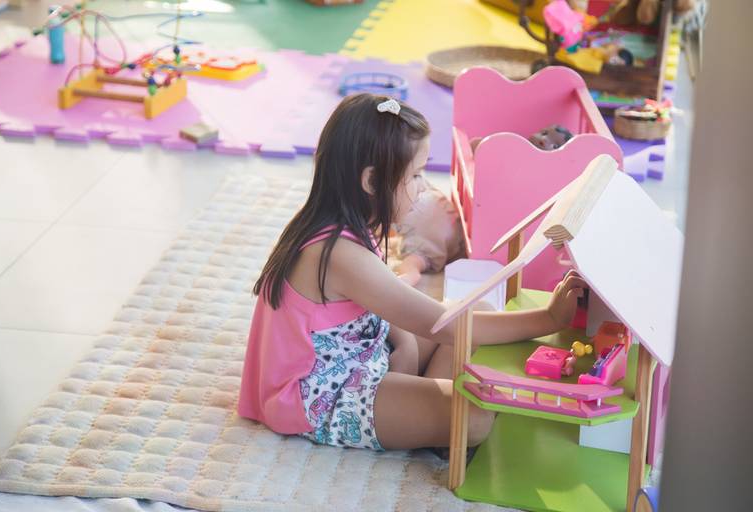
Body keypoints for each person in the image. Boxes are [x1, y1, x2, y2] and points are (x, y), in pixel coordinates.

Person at [238, 93, 585, 452]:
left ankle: (422, 406)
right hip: (323, 393)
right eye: (416, 175)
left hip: (359, 353)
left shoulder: (347, 227)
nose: (424, 187)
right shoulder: (338, 254)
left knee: (480, 315)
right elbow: (441, 323)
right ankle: (430, 412)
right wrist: (548, 319)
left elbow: (389, 303)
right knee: (476, 417)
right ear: (371, 182)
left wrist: (402, 342)